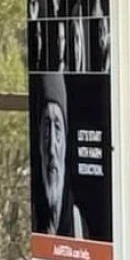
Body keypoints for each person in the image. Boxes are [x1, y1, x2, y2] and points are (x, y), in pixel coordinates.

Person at [35, 72, 86, 238]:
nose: (51, 149)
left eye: (57, 128)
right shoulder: (31, 215)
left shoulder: (78, 225)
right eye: (46, 130)